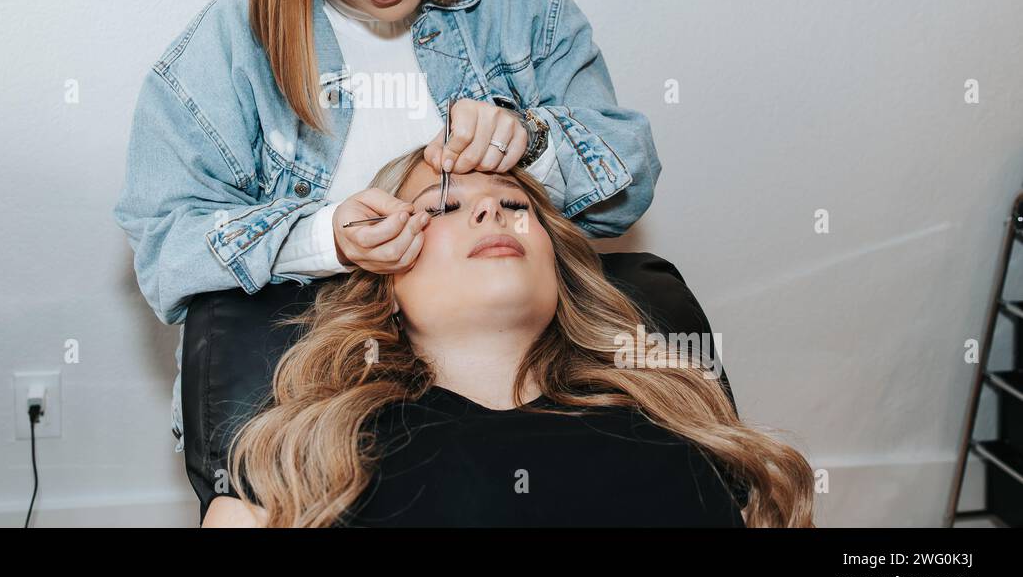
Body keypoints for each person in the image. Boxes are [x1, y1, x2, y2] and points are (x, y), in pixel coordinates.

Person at [113, 0, 661, 455]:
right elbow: (166, 252)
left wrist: (530, 141)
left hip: (520, 395)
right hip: (322, 419)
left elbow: (629, 180)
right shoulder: (231, 48)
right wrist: (323, 239)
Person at [202, 147, 816, 527]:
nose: (492, 212)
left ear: (559, 268)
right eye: (443, 207)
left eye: (516, 205)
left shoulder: (679, 425)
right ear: (384, 283)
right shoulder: (308, 470)